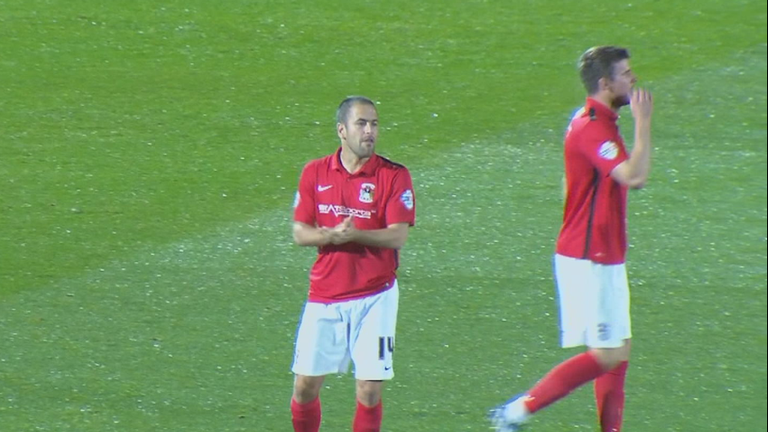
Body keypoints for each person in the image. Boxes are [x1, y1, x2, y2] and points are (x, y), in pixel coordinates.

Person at [488, 46, 654, 432]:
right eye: (626, 73)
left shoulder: (597, 120)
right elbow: (634, 176)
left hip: (601, 252)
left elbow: (572, 182)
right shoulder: (593, 125)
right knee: (608, 353)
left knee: (619, 350)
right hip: (589, 256)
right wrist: (644, 123)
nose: (633, 79)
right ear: (604, 83)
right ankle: (516, 413)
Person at [289, 96, 416, 432]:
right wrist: (331, 236)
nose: (370, 131)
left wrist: (356, 235)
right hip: (326, 295)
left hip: (377, 296)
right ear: (342, 130)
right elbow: (300, 233)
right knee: (304, 388)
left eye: (374, 124)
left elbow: (397, 236)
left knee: (370, 391)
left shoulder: (394, 176)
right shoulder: (314, 172)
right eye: (362, 124)